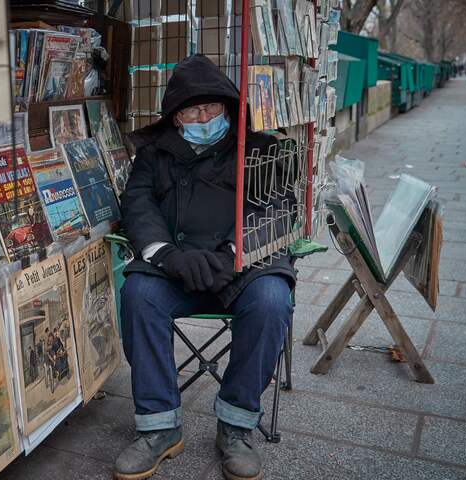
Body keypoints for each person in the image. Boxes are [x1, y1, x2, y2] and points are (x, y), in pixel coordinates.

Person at [113, 55, 296, 480]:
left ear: (228, 108)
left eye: (212, 107)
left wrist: (231, 251)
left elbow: (276, 206)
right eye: (192, 110)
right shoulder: (153, 154)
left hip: (245, 262)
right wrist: (168, 255)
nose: (203, 116)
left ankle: (235, 427)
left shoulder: (260, 149)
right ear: (176, 117)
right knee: (138, 294)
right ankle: (159, 427)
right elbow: (137, 205)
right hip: (178, 266)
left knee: (272, 300)